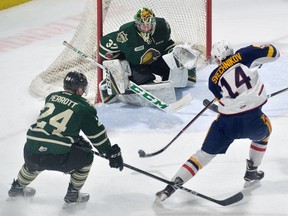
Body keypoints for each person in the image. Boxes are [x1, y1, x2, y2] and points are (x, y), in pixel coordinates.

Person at [155, 41, 280, 202]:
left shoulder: (213, 78)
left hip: (226, 123)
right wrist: (257, 62)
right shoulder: (245, 54)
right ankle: (252, 171)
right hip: (253, 120)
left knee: (202, 155)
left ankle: (170, 188)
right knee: (265, 133)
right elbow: (274, 52)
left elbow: (224, 98)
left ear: (217, 59)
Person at [8, 71, 124, 204]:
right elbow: (96, 134)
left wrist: (73, 139)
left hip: (30, 150)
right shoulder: (83, 106)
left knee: (36, 159)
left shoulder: (51, 97)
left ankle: (17, 188)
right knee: (87, 157)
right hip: (58, 157)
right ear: (80, 89)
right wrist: (109, 151)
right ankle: (73, 194)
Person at [99, 7, 197, 103]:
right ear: (137, 24)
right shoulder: (126, 34)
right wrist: (116, 67)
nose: (146, 28)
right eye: (142, 25)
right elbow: (104, 46)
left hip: (155, 61)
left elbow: (166, 45)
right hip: (135, 65)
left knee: (172, 70)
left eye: (148, 25)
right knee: (145, 80)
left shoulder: (162, 27)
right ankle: (107, 85)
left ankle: (181, 78)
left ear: (153, 23)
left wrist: (177, 56)